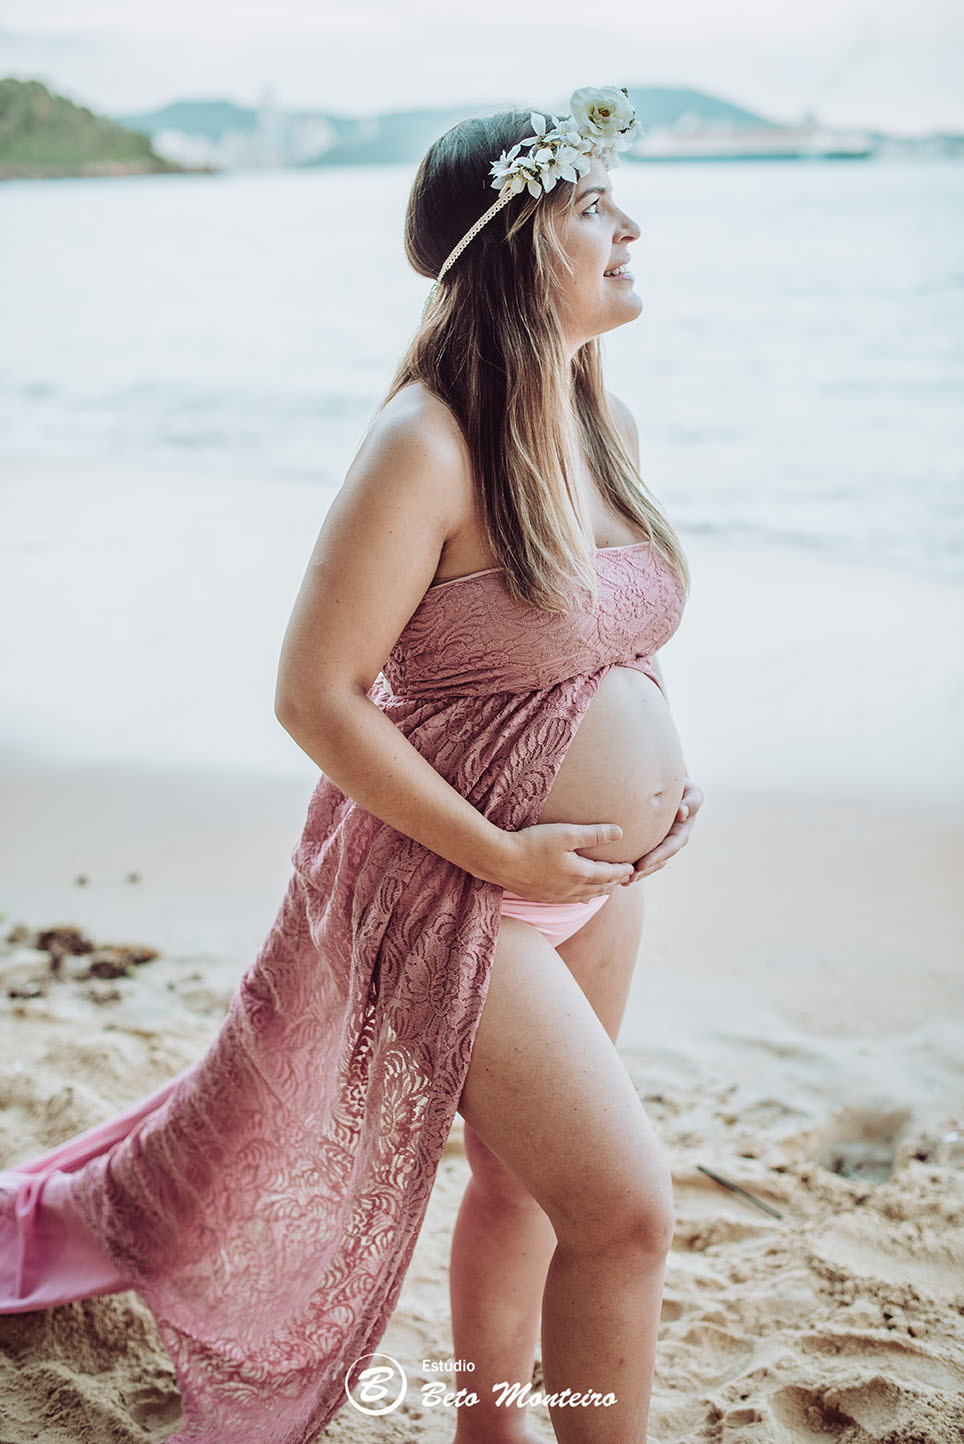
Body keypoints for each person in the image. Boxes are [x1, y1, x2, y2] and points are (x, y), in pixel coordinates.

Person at [0, 85, 702, 1444]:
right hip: (458, 888)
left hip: (590, 886)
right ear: (512, 243)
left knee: (529, 1199)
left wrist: (656, 787)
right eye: (591, 205)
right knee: (627, 1215)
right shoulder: (423, 445)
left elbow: (583, 649)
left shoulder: (600, 429)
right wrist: (504, 853)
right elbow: (314, 698)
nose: (632, 225)